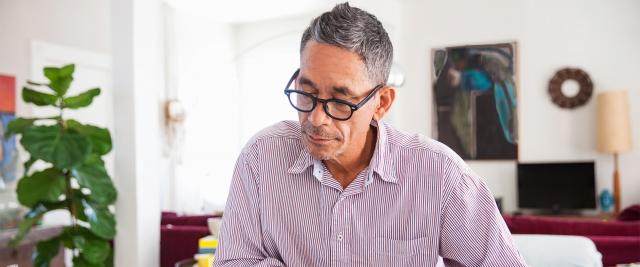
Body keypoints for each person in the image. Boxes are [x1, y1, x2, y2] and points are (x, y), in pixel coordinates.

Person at [215, 3, 527, 266]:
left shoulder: (440, 174)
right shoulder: (261, 157)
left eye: (339, 101)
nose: (316, 118)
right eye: (306, 92)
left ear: (382, 103)